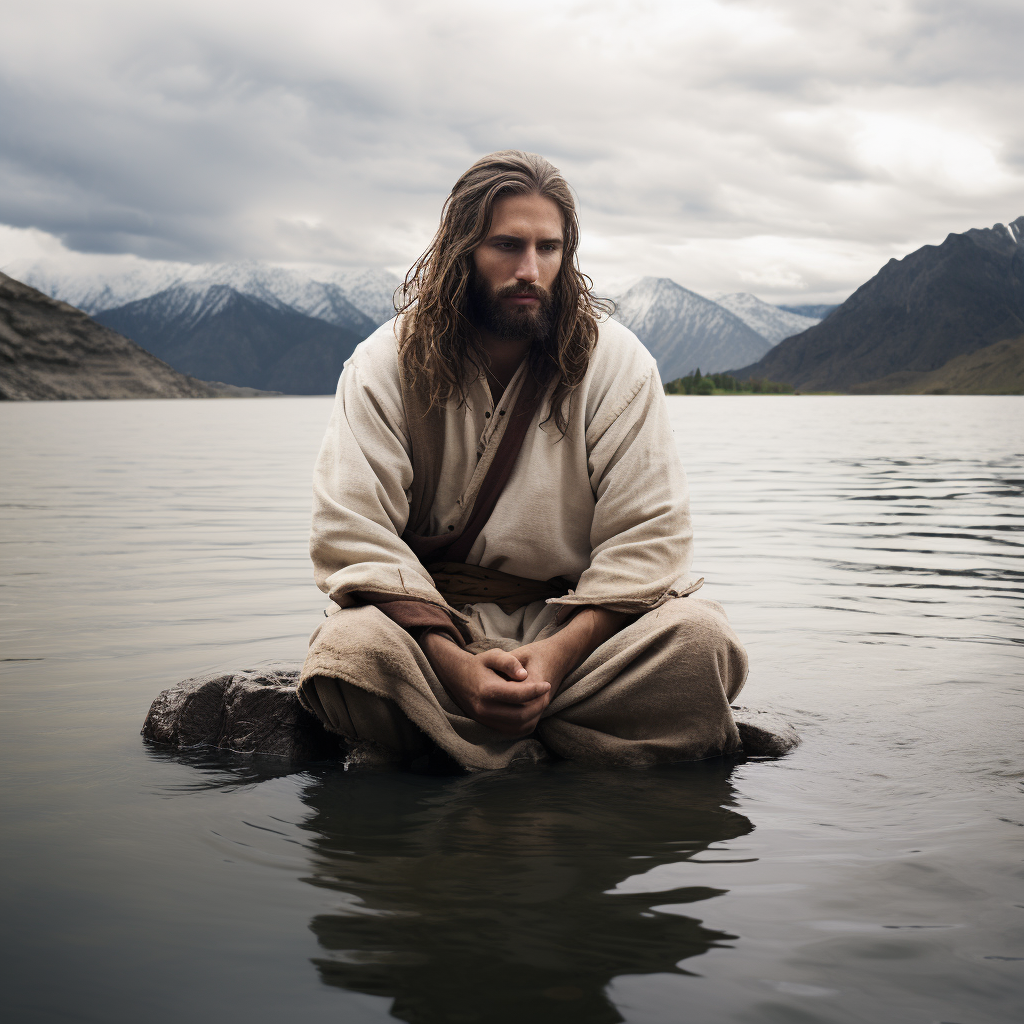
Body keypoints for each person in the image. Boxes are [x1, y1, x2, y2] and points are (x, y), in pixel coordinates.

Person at [298, 150, 748, 770]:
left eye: (549, 248)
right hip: (433, 635)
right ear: (461, 251)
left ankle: (463, 744)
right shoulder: (384, 364)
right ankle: (568, 740)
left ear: (568, 255)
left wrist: (557, 657)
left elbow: (651, 536)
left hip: (578, 637)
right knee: (350, 651)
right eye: (506, 246)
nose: (530, 270)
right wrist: (453, 663)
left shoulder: (616, 363)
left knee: (702, 641)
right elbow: (353, 532)